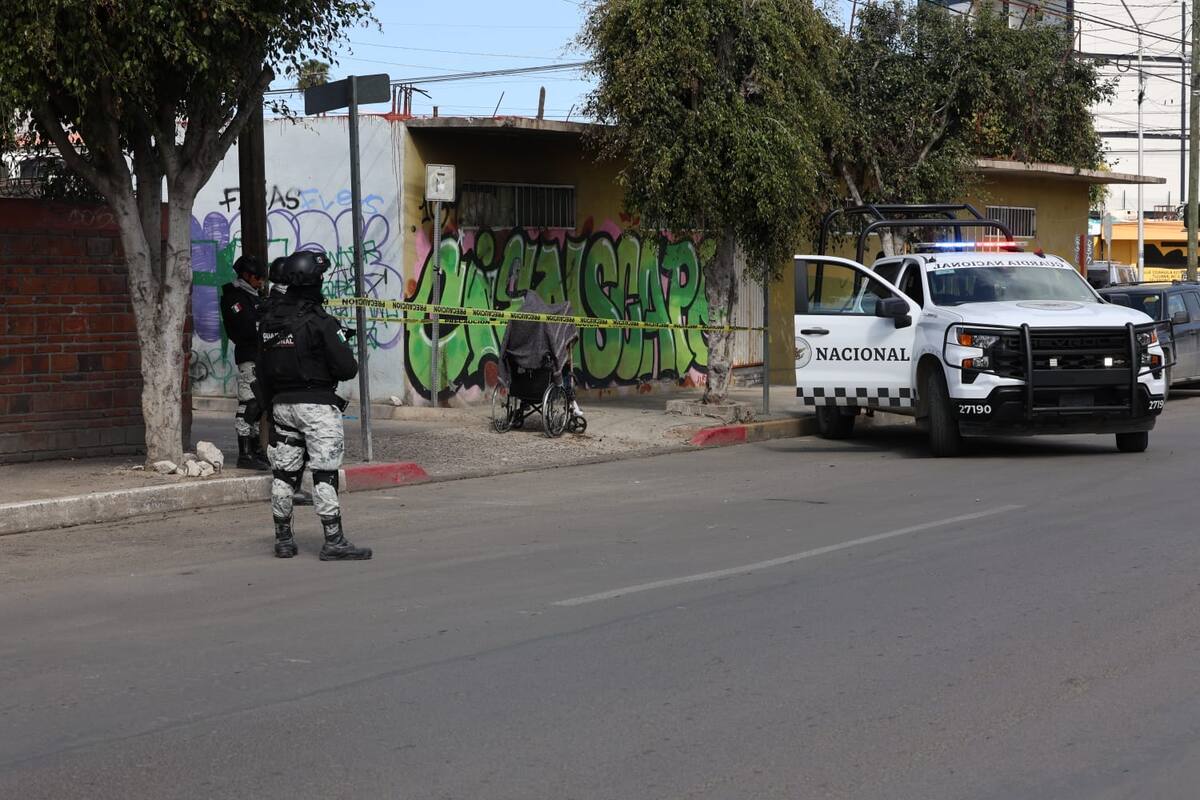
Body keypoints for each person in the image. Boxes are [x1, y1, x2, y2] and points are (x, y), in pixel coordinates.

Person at [256, 250, 371, 561]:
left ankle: (283, 539)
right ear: (313, 281)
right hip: (317, 407)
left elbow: (262, 367)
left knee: (283, 475)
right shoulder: (320, 321)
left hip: (280, 406)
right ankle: (333, 540)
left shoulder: (269, 319)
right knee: (324, 473)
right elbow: (347, 368)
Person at [220, 255, 270, 470]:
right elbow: (247, 327)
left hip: (262, 355)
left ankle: (256, 450)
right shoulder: (234, 297)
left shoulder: (254, 296)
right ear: (248, 275)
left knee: (259, 404)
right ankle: (245, 452)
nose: (261, 282)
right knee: (248, 402)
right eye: (258, 277)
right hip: (248, 354)